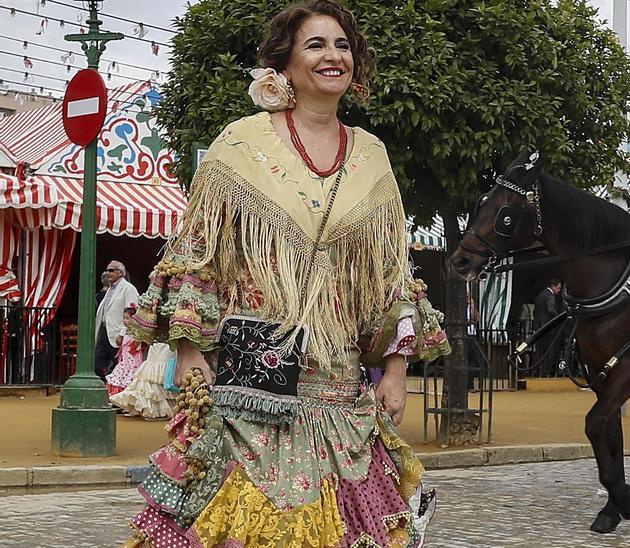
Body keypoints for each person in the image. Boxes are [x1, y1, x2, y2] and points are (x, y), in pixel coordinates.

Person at [123, 2, 450, 545]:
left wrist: (395, 369)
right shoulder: (240, 145)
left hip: (338, 385)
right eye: (316, 45)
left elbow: (391, 275)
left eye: (342, 45)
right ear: (285, 62)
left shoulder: (372, 156)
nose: (333, 55)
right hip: (254, 381)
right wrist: (188, 349)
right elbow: (200, 252)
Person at [94, 260, 139, 381]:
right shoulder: (109, 289)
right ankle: (104, 386)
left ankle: (114, 392)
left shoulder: (129, 289)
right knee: (96, 362)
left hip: (118, 334)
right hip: (104, 331)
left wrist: (122, 333)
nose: (107, 273)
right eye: (107, 270)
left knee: (117, 365)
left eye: (111, 270)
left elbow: (132, 313)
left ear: (120, 273)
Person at [110, 342, 176, 421]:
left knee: (161, 370)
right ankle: (148, 408)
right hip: (156, 341)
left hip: (170, 342)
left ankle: (160, 410)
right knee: (151, 372)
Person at [105, 304, 146, 397]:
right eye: (124, 318)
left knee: (132, 376)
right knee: (120, 375)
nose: (124, 320)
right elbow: (118, 341)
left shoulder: (137, 332)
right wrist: (121, 333)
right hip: (124, 359)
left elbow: (137, 345)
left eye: (127, 318)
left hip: (133, 359)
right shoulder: (124, 330)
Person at [533, 278, 564, 376]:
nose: (559, 291)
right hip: (548, 328)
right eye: (558, 288)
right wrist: (559, 317)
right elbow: (551, 309)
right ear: (553, 286)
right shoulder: (550, 296)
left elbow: (535, 311)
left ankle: (537, 370)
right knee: (549, 350)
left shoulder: (540, 295)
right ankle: (546, 371)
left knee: (539, 350)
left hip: (539, 327)